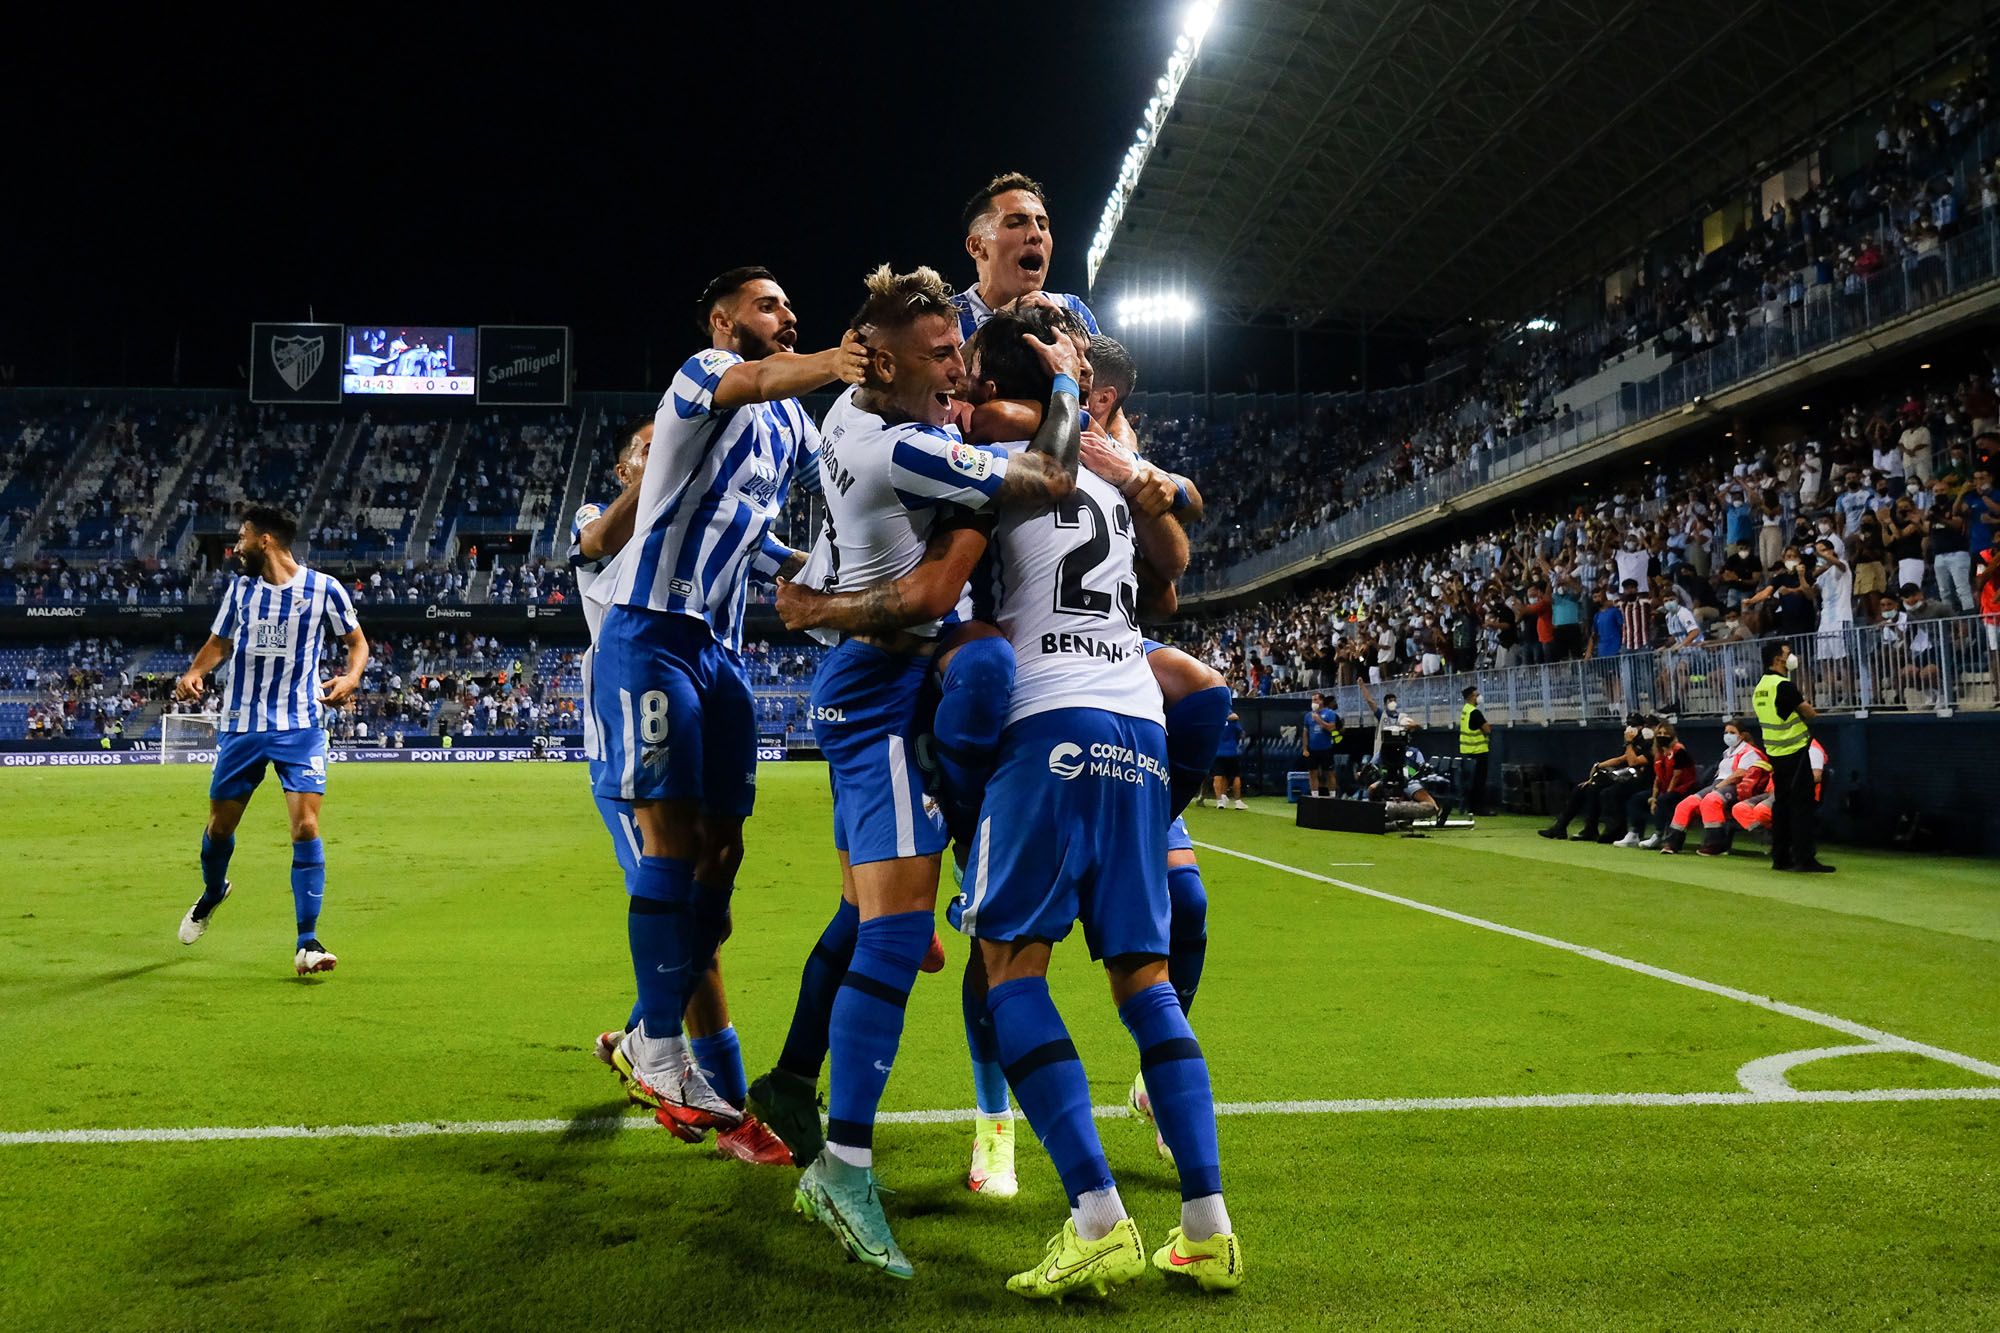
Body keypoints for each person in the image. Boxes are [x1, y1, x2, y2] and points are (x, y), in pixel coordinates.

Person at [761, 275, 1089, 1278]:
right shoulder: (897, 444)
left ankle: (807, 1105)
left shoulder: (852, 405)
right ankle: (841, 1166)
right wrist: (1067, 391)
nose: (957, 365)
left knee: (884, 923)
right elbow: (1048, 483)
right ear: (892, 363)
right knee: (899, 932)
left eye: (961, 351)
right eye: (941, 354)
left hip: (898, 678)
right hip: (878, 694)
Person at [950, 315, 1241, 1299]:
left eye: (970, 382)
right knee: (1144, 980)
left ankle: (1096, 1213)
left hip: (1045, 720)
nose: (959, 398)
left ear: (1000, 390)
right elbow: (1173, 553)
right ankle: (1205, 1225)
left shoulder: (993, 451)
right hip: (1134, 726)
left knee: (1009, 970)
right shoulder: (1113, 471)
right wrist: (1154, 481)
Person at [585, 266, 863, 1136]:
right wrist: (839, 359)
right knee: (668, 840)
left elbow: (753, 525)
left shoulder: (787, 424)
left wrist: (818, 575)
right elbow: (758, 375)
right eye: (769, 303)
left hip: (722, 651)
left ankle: (649, 1024)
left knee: (725, 858)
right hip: (654, 629)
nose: (788, 313)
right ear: (722, 318)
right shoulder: (704, 374)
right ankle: (661, 1045)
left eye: (790, 302)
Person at [576, 419, 793, 1165]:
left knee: (712, 918)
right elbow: (610, 538)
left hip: (696, 702)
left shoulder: (708, 514)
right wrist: (665, 464)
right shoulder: (600, 525)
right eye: (645, 446)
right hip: (630, 748)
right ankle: (733, 1115)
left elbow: (770, 553)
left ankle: (640, 1034)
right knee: (700, 947)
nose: (661, 450)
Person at [172, 504, 367, 976]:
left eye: (240, 537)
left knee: (306, 828)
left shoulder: (324, 589)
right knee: (220, 827)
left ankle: (308, 942)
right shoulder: (240, 591)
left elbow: (357, 642)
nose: (234, 547)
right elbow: (219, 643)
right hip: (242, 724)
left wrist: (351, 678)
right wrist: (196, 671)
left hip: (300, 725)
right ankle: (214, 890)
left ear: (264, 541)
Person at [950, 171, 1100, 343]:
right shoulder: (947, 319)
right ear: (977, 246)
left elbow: (1112, 370)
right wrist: (1000, 324)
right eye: (1015, 224)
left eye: (1042, 225)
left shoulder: (1072, 310)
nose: (1036, 235)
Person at [1753, 640, 1832, 872]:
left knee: (1782, 806)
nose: (1791, 657)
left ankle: (1780, 857)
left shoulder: (1760, 687)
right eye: (1787, 653)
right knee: (1801, 807)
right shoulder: (1783, 685)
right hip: (1794, 753)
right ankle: (1804, 858)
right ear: (1778, 659)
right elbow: (1809, 712)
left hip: (1775, 754)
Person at [1653, 720, 1765, 855]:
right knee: (1687, 803)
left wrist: (1719, 787)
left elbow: (1740, 774)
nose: (1728, 735)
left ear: (1741, 736)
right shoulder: (1727, 752)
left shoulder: (1750, 752)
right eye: (1726, 732)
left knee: (1711, 800)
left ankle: (1715, 844)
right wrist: (1716, 786)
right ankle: (1672, 843)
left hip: (1737, 786)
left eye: (1732, 732)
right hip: (1718, 784)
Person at [1619, 720, 1696, 848]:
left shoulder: (1679, 751)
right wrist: (1653, 797)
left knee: (1664, 800)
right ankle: (1634, 834)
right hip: (1664, 789)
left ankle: (1659, 835)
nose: (1662, 736)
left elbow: (1677, 777)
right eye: (1659, 733)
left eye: (1665, 733)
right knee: (1636, 799)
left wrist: (1661, 797)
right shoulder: (1658, 753)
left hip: (1682, 790)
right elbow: (1658, 778)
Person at [1458, 683, 1492, 815]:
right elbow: (1487, 729)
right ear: (1472, 697)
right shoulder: (1475, 712)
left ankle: (1470, 807)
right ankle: (1478, 809)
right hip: (1478, 751)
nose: (1479, 697)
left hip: (1467, 751)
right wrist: (1488, 727)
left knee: (1470, 782)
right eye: (1477, 695)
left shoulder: (1465, 710)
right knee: (1479, 782)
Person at [1302, 689, 1341, 796]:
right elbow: (1305, 733)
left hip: (1326, 748)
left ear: (1321, 701)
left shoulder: (1330, 713)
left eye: (1316, 700)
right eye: (1312, 700)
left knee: (1329, 773)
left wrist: (1319, 720)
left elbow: (1332, 728)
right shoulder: (1308, 716)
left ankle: (1332, 795)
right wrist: (1305, 748)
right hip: (1312, 749)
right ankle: (1314, 796)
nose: (1314, 702)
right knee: (1312, 773)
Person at [1210, 708, 1247, 809]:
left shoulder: (1213, 719)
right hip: (1232, 752)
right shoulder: (1233, 721)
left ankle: (1220, 801)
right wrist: (1238, 739)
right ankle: (1238, 802)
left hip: (1217, 752)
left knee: (1218, 775)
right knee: (1236, 776)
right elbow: (1242, 733)